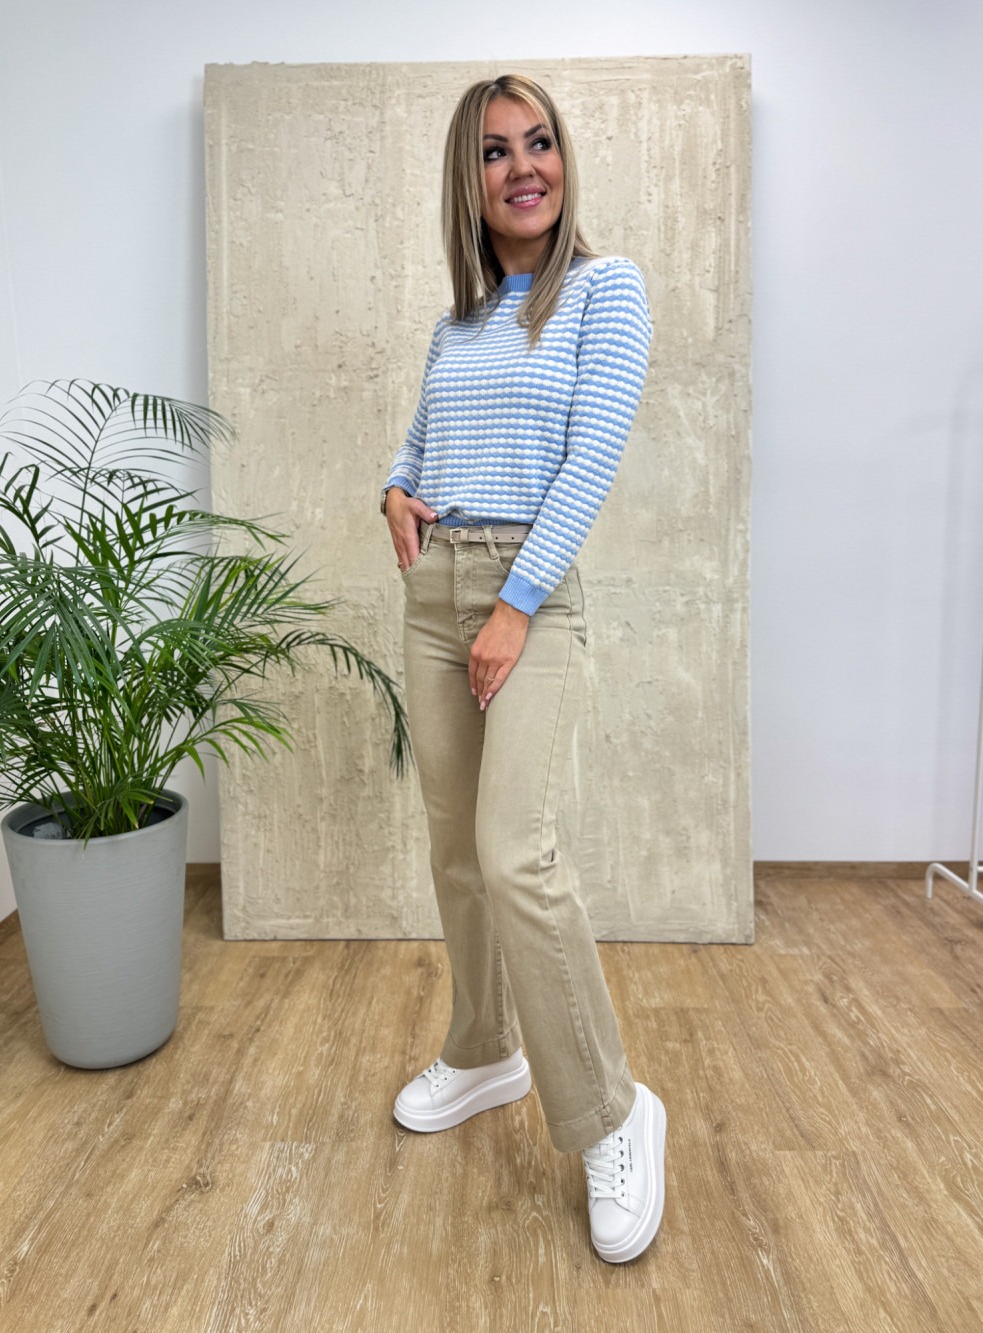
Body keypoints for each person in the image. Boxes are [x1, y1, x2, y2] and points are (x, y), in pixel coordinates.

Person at [381, 73, 666, 1265]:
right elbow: (423, 439)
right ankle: (482, 1047)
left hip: (526, 595)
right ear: (471, 176)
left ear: (562, 159)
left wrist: (513, 606)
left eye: (538, 142)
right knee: (455, 851)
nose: (523, 167)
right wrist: (395, 488)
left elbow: (589, 459)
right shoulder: (456, 321)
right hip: (435, 593)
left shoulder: (605, 289)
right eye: (496, 151)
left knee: (516, 854)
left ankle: (610, 1111)